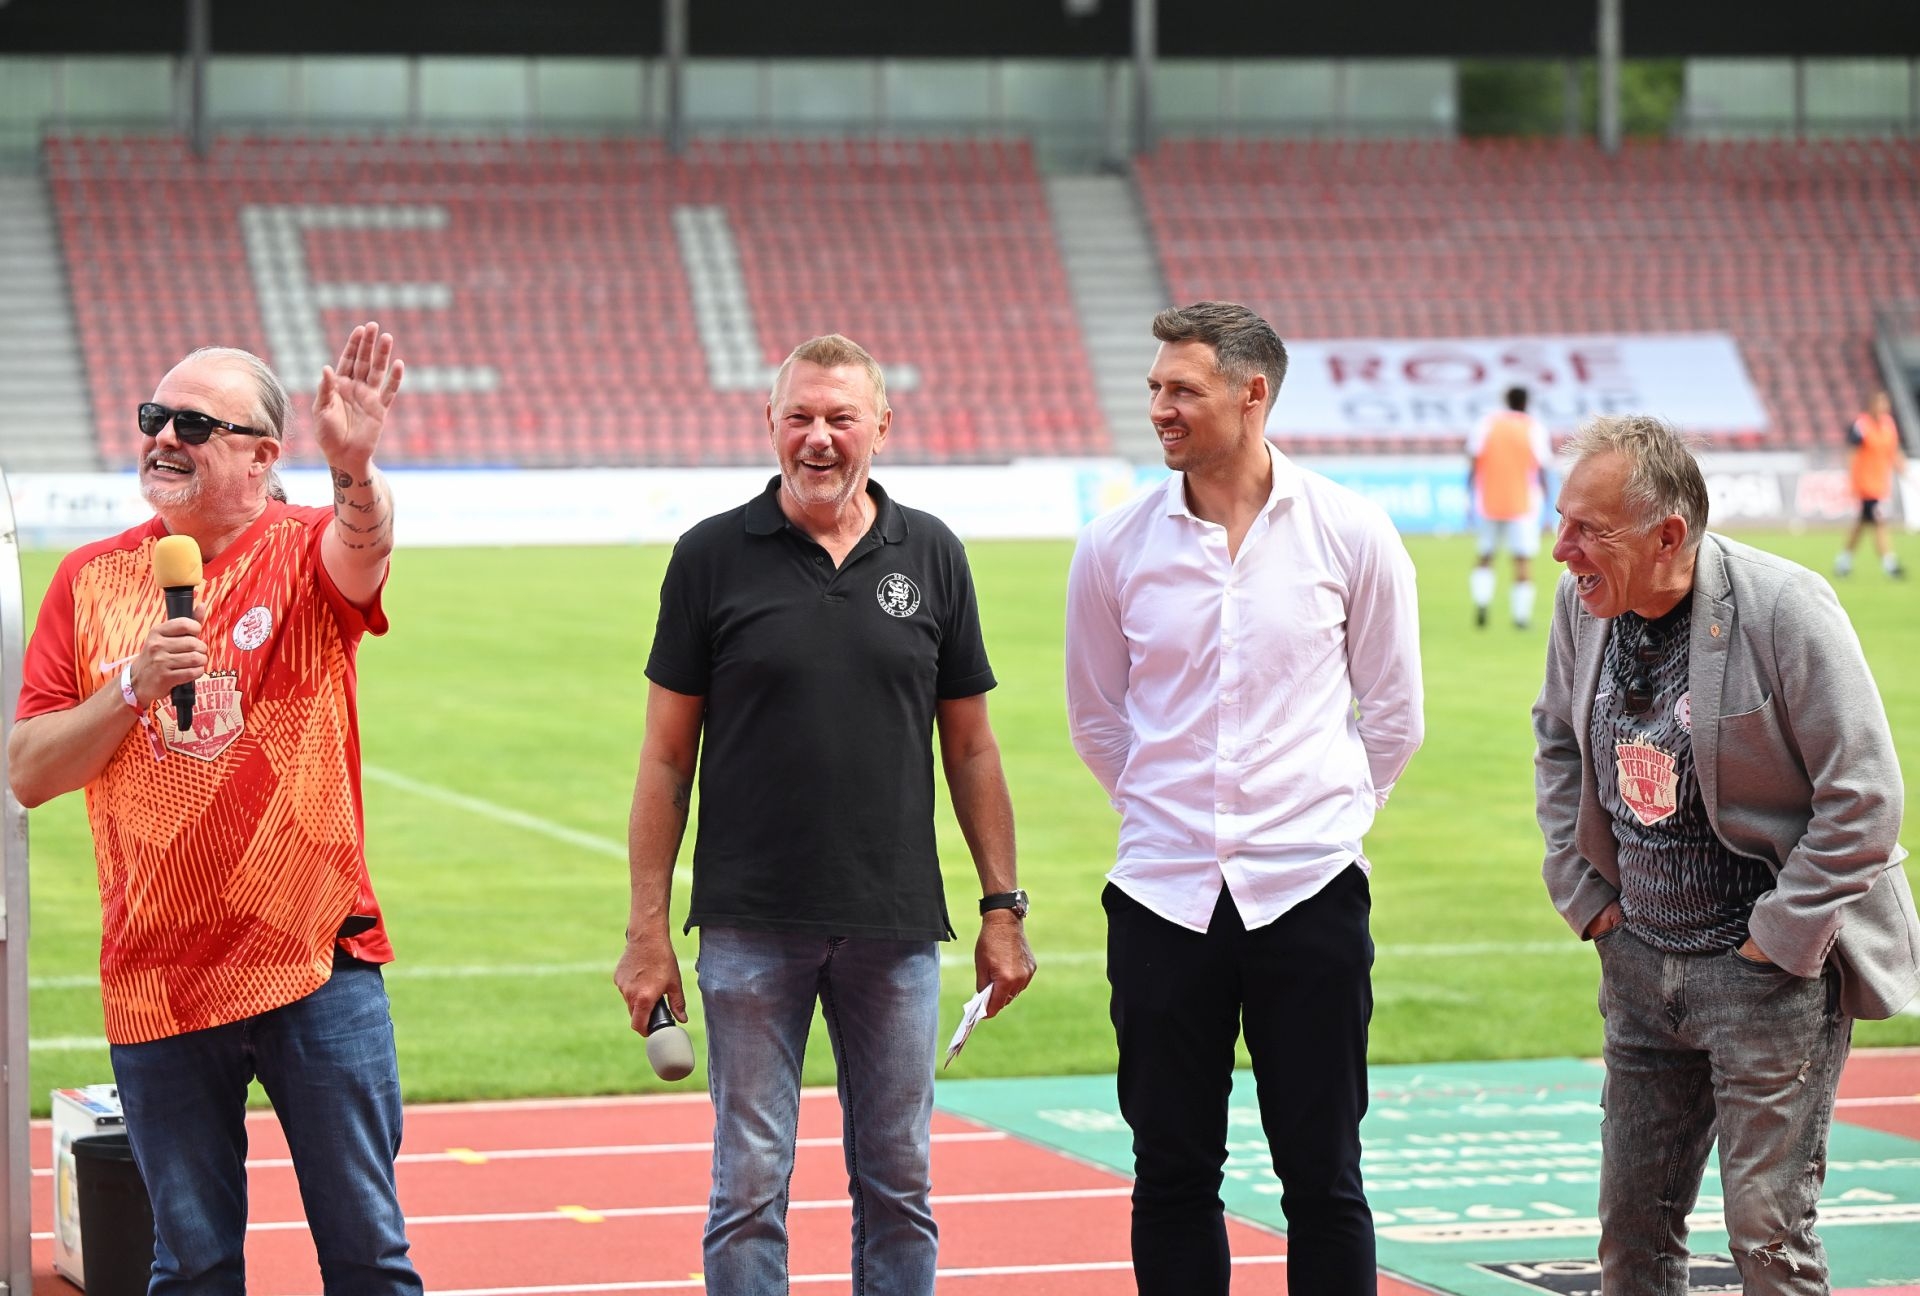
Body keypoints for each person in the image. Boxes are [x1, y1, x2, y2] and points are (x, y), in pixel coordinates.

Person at [613, 333, 1036, 1294]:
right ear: (768, 423)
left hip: (896, 925)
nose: (818, 437)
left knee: (900, 1184)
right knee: (748, 1186)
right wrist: (645, 932)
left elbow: (971, 747)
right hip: (749, 923)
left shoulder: (933, 553)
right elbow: (666, 757)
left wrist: (1002, 908)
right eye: (799, 416)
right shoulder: (709, 556)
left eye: (841, 417)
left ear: (881, 426)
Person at [9, 324, 420, 1293]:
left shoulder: (305, 547)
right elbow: (27, 771)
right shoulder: (90, 579)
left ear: (261, 456)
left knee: (367, 1254)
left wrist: (355, 468)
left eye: (193, 424)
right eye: (155, 417)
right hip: (157, 974)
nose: (163, 437)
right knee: (190, 1266)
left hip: (313, 963)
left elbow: (364, 552)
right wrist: (129, 687)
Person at [1065, 301, 1424, 1294]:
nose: (1159, 408)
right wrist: (1167, 814)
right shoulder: (1112, 546)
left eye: (1182, 389)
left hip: (1309, 893)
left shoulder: (1351, 531)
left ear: (1251, 394)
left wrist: (1322, 820)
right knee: (1171, 1175)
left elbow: (1395, 714)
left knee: (1325, 1179)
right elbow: (1096, 719)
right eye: (1155, 388)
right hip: (1161, 898)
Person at [1534, 414, 1920, 1293]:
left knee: (1767, 1238)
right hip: (1638, 963)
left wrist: (1775, 940)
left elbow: (1864, 796)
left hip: (1766, 983)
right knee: (1632, 1235)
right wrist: (1586, 896)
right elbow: (1556, 742)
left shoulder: (1783, 607)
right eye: (1563, 523)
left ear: (1668, 535)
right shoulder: (1580, 605)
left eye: (1589, 529)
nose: (1562, 549)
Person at [1467, 384, 1554, 628]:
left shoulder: (1486, 424)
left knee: (1485, 556)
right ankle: (1520, 617)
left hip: (1489, 501)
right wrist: (1549, 507)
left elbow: (1473, 462)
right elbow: (1542, 468)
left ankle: (1481, 602)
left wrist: (1469, 497)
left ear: (1506, 399)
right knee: (1522, 560)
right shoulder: (1533, 428)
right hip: (1522, 503)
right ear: (1526, 402)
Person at [1835, 389, 1906, 578]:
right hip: (1865, 484)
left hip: (1881, 483)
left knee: (1862, 524)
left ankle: (1843, 561)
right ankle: (1890, 565)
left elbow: (1893, 449)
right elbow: (1852, 453)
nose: (1883, 407)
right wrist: (1851, 479)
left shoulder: (1889, 424)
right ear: (1871, 405)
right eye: (1880, 403)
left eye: (1885, 403)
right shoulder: (1862, 425)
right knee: (1879, 521)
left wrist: (1901, 466)